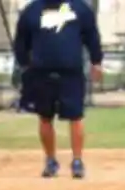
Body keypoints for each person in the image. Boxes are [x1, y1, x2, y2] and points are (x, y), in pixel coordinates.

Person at [14, 0, 103, 179]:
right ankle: (50, 160)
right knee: (45, 117)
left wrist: (96, 61)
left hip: (71, 72)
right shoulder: (32, 11)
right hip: (41, 72)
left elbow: (92, 36)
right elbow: (21, 41)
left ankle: (77, 161)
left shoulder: (80, 8)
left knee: (76, 116)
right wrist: (24, 64)